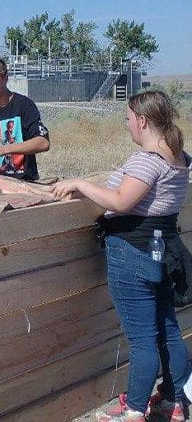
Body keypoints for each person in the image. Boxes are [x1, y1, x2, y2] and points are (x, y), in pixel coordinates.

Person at [52, 90, 191, 422]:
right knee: (168, 329)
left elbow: (120, 202)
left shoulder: (148, 159)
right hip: (161, 248)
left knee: (142, 338)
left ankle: (133, 410)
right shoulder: (180, 157)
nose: (126, 124)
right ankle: (172, 401)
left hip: (132, 252)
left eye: (128, 118)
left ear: (142, 121)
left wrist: (82, 184)